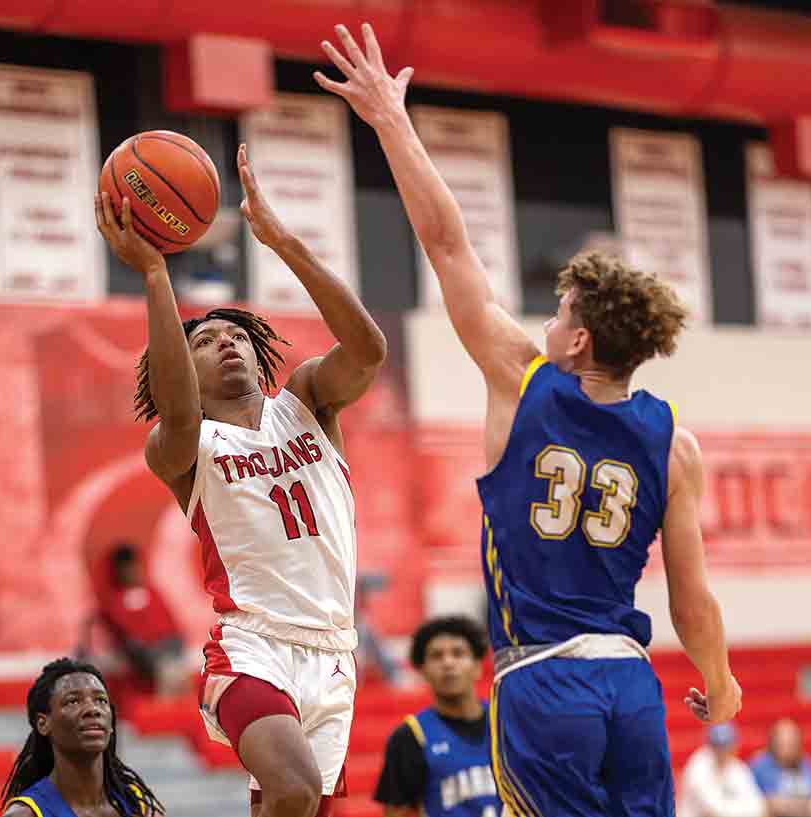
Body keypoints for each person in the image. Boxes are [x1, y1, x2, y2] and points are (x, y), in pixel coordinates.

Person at [315, 23, 742, 817]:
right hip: (631, 682)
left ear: (578, 340)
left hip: (544, 678)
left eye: (558, 311)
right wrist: (719, 682)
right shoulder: (674, 443)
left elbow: (445, 243)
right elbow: (694, 597)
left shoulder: (523, 376)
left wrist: (389, 120)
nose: (545, 319)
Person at [94, 142, 386, 817]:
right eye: (203, 342)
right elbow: (174, 406)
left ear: (261, 353)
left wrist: (283, 241)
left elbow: (368, 350)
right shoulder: (185, 446)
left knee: (291, 806)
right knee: (292, 787)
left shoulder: (308, 400)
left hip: (335, 652)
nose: (224, 342)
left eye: (236, 335)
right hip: (252, 642)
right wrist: (156, 277)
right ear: (183, 368)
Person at [1, 657, 163, 816]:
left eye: (101, 700)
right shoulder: (25, 814)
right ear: (43, 724)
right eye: (73, 701)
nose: (92, 709)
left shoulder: (139, 806)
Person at [374, 616, 503, 817]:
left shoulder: (506, 723)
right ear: (422, 670)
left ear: (478, 666)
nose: (448, 663)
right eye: (436, 656)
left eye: (458, 653)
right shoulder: (410, 736)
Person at [100, 542, 188, 697]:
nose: (134, 572)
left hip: (168, 651)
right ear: (119, 571)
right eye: (128, 569)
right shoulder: (114, 602)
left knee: (172, 667)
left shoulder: (153, 593)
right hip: (144, 659)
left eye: (136, 567)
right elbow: (125, 635)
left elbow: (172, 626)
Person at [751, 719, 811, 817]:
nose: (786, 745)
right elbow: (770, 804)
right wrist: (806, 806)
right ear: (772, 741)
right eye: (782, 741)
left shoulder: (806, 763)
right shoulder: (760, 765)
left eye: (790, 741)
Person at [678, 723, 765, 817]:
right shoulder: (698, 766)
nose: (722, 751)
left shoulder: (737, 767)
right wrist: (739, 807)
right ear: (709, 745)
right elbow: (712, 809)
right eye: (717, 746)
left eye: (726, 746)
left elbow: (757, 806)